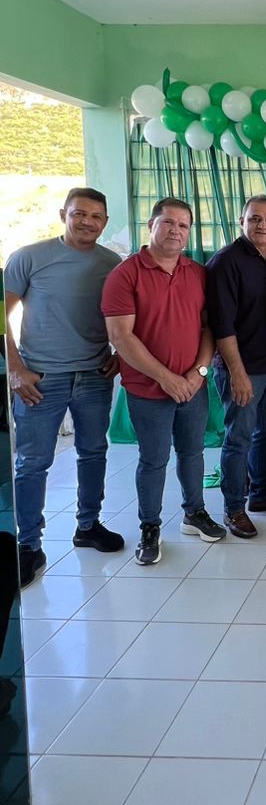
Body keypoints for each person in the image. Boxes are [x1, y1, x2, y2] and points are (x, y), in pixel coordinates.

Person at [5, 187, 123, 582]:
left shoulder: (111, 263)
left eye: (95, 216)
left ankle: (88, 525)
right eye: (79, 213)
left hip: (94, 375)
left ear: (105, 222)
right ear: (63, 214)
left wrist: (119, 354)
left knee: (93, 452)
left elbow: (124, 316)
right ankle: (28, 545)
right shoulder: (29, 257)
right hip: (41, 379)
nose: (87, 221)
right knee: (32, 463)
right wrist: (16, 369)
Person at [102, 198, 225, 565]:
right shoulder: (125, 274)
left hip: (192, 387)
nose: (176, 230)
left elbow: (209, 327)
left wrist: (198, 373)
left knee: (193, 453)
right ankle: (150, 527)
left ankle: (194, 513)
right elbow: (121, 337)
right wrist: (167, 378)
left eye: (183, 225)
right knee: (153, 460)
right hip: (148, 390)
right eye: (168, 222)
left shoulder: (197, 272)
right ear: (151, 225)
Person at [206, 196, 266, 538]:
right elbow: (221, 325)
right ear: (242, 221)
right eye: (255, 219)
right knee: (238, 439)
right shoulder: (225, 262)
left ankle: (261, 494)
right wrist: (237, 373)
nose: (263, 225)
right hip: (242, 367)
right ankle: (234, 508)